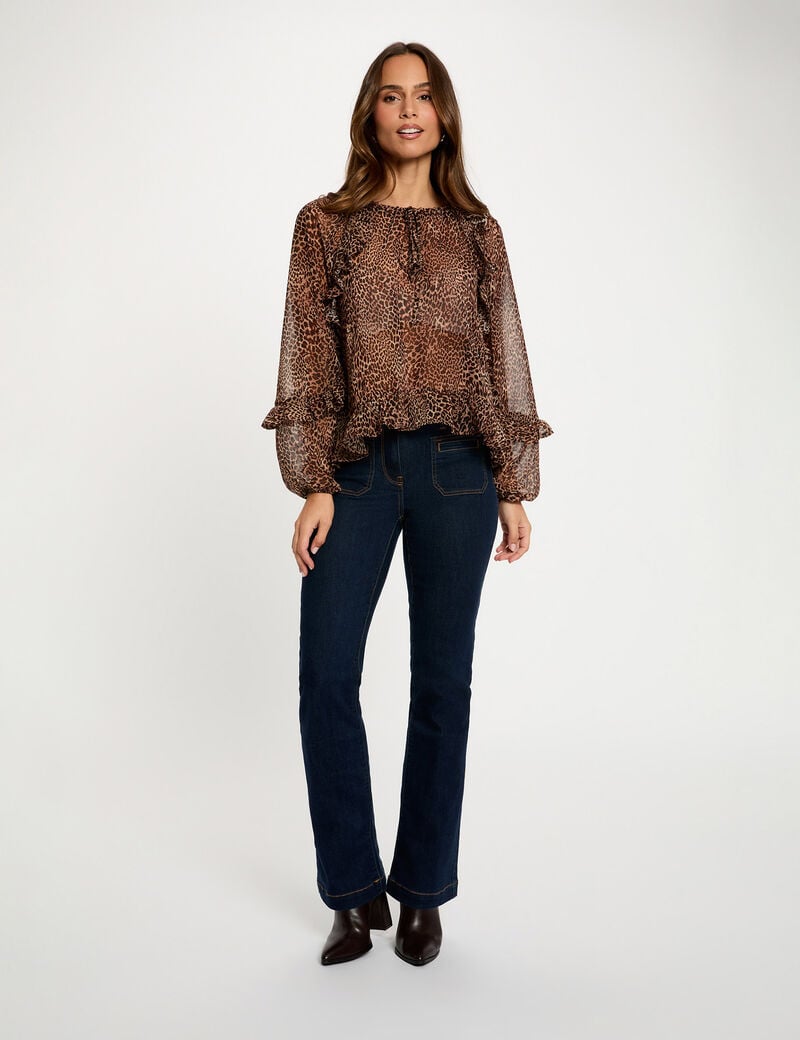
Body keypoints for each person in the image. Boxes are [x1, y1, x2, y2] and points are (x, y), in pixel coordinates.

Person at [261, 41, 553, 967]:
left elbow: (502, 355)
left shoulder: (478, 230)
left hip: (461, 472)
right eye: (392, 97)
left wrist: (512, 483)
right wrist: (314, 480)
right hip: (356, 471)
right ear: (371, 114)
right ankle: (352, 894)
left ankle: (423, 893)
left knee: (442, 684)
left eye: (424, 96)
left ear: (445, 113)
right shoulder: (325, 225)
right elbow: (308, 352)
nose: (410, 111)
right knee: (326, 678)